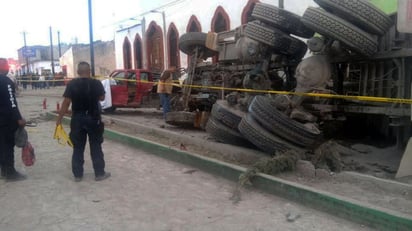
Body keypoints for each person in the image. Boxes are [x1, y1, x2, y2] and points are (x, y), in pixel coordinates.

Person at [56, 61, 110, 182]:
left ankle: (78, 175)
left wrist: (59, 119)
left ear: (78, 72)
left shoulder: (72, 84)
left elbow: (66, 103)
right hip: (93, 118)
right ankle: (99, 173)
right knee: (95, 146)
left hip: (77, 119)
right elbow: (102, 98)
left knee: (78, 147)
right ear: (89, 71)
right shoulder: (96, 83)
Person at [0, 58, 27, 181]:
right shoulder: (6, 81)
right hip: (6, 120)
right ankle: (10, 173)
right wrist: (18, 118)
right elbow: (12, 102)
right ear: (5, 68)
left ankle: (4, 171)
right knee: (7, 145)